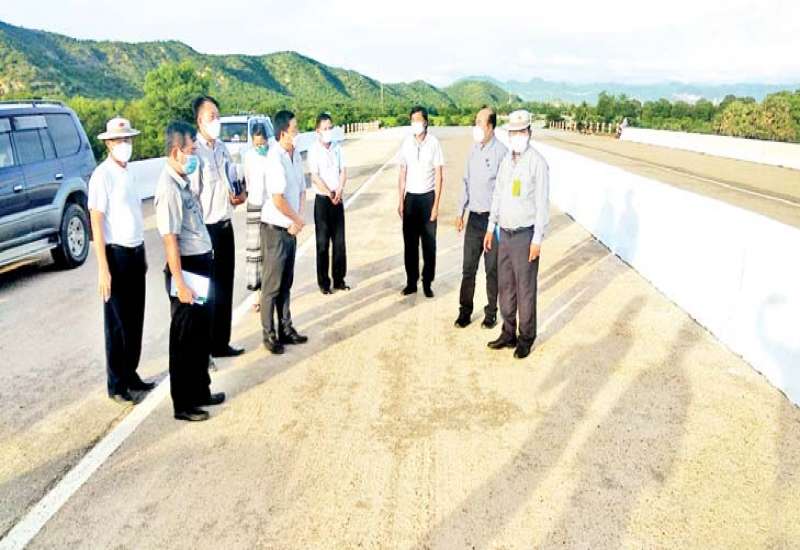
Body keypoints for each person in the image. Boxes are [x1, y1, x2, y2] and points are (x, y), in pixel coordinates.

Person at [154, 121, 226, 422]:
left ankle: (200, 391)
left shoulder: (182, 182)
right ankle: (183, 403)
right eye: (191, 150)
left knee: (199, 336)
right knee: (184, 340)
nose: (195, 155)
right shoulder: (169, 188)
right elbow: (170, 239)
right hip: (187, 271)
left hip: (199, 266)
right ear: (176, 152)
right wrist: (180, 282)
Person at [88, 117, 154, 405]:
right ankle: (116, 384)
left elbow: (136, 216)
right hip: (116, 256)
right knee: (117, 324)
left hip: (135, 253)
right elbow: (96, 222)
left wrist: (143, 253)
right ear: (108, 144)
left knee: (135, 319)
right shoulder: (102, 176)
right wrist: (103, 268)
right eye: (118, 140)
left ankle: (131, 373)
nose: (124, 144)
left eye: (127, 139)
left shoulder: (129, 173)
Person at [484, 110, 550, 360]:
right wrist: (490, 227)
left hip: (525, 235)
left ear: (529, 133)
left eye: (522, 132)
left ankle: (526, 337)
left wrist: (537, 239)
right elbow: (498, 195)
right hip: (504, 233)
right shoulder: (506, 162)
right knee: (506, 287)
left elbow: (542, 205)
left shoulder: (537, 163)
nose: (517, 136)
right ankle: (508, 332)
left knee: (525, 289)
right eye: (513, 132)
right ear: (509, 134)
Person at [191, 95, 246, 358]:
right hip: (207, 230)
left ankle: (221, 343)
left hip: (225, 225)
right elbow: (193, 196)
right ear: (199, 120)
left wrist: (238, 196)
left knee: (225, 286)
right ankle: (204, 349)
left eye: (218, 116)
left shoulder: (222, 148)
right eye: (212, 116)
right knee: (207, 291)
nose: (217, 121)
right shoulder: (194, 152)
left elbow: (231, 180)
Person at [253, 110, 308, 354]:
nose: (298, 133)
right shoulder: (274, 158)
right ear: (283, 133)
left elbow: (302, 190)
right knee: (272, 286)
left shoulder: (294, 155)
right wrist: (295, 219)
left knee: (286, 282)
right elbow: (278, 199)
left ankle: (286, 328)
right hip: (275, 229)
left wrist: (299, 219)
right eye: (295, 129)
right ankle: (269, 334)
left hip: (291, 228)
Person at [454, 106, 507, 329]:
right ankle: (464, 312)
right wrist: (460, 212)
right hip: (474, 220)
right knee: (468, 269)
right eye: (475, 122)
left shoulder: (501, 153)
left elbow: (503, 191)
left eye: (479, 122)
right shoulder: (473, 150)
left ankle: (491, 313)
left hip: (492, 222)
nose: (475, 126)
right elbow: (465, 182)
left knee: (492, 270)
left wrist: (494, 223)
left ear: (490, 126)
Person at [397, 106, 444, 298]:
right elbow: (402, 173)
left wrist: (436, 205)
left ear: (425, 122)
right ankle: (411, 282)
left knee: (429, 245)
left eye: (418, 120)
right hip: (411, 199)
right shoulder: (406, 143)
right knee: (410, 244)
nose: (415, 123)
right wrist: (401, 200)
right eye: (412, 120)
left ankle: (427, 282)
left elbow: (439, 175)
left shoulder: (434, 143)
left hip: (427, 198)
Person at [308, 112, 349, 294]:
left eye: (330, 128)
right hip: (323, 201)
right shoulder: (313, 150)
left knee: (339, 243)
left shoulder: (337, 148)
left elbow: (343, 171)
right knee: (323, 244)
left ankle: (339, 279)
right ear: (317, 130)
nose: (328, 131)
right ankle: (324, 283)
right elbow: (314, 176)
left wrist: (339, 190)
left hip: (337, 199)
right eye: (324, 128)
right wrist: (329, 192)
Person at [242, 123, 271, 311]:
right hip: (254, 204)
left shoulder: (273, 154)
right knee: (255, 250)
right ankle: (256, 293)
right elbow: (247, 180)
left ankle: (268, 290)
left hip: (270, 206)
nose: (259, 146)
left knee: (269, 249)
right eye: (256, 144)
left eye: (262, 143)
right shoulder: (248, 156)